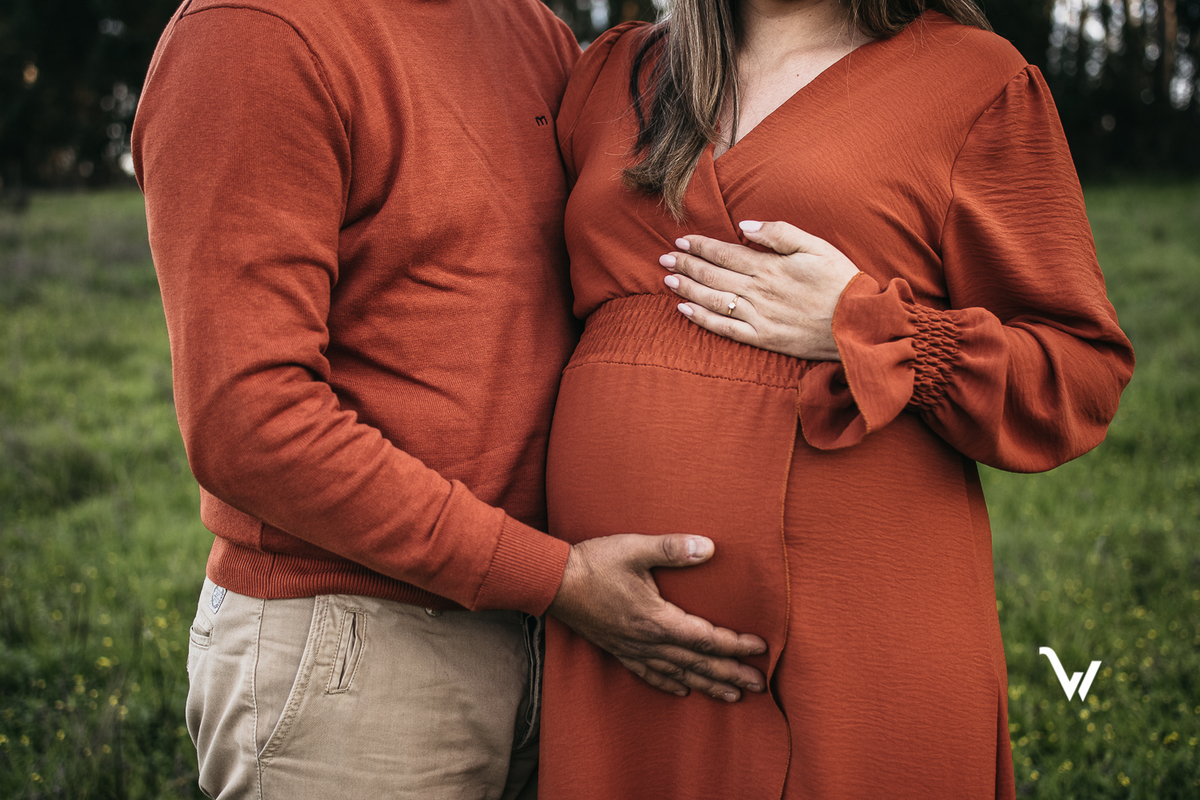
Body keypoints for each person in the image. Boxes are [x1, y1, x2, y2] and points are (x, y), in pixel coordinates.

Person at [131, 0, 771, 797]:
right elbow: (250, 425)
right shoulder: (256, 33)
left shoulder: (526, 26)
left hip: (559, 641)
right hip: (357, 648)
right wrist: (554, 577)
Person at [541, 0, 1135, 797]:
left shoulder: (972, 80)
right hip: (611, 636)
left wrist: (872, 328)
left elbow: (1081, 374)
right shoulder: (614, 73)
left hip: (860, 629)